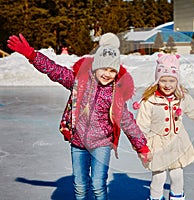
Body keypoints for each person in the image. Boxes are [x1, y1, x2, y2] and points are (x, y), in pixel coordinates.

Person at [7, 33, 152, 200]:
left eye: (112, 70)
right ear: (96, 66)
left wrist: (142, 147)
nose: (107, 73)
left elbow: (128, 122)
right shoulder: (79, 82)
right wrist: (32, 55)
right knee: (80, 186)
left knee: (98, 185)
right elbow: (55, 70)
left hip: (101, 145)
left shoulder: (115, 95)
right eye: (104, 68)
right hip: (78, 143)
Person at [133, 54, 194, 200]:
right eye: (163, 80)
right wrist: (142, 148)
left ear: (177, 81)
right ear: (157, 81)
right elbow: (141, 126)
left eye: (172, 80)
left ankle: (177, 197)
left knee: (176, 175)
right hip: (156, 145)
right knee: (158, 177)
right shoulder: (149, 101)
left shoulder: (181, 98)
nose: (167, 85)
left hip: (177, 143)